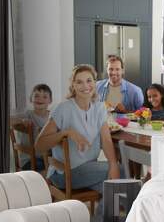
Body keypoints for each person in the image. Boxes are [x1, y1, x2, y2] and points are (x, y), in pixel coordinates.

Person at [35, 64, 121, 195]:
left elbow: (106, 140)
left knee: (112, 189)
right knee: (122, 172)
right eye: (79, 82)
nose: (85, 86)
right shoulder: (63, 109)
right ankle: (118, 210)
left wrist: (113, 164)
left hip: (89, 170)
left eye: (89, 80)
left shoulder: (99, 108)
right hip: (64, 173)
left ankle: (109, 214)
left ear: (95, 82)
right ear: (73, 86)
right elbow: (39, 145)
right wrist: (66, 132)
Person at [19, 84, 53, 171]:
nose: (40, 99)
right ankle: (46, 181)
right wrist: (25, 121)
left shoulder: (52, 116)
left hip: (46, 155)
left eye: (45, 97)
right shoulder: (29, 114)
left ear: (50, 101)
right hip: (30, 158)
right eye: (36, 96)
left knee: (61, 164)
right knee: (51, 168)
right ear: (31, 99)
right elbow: (22, 119)